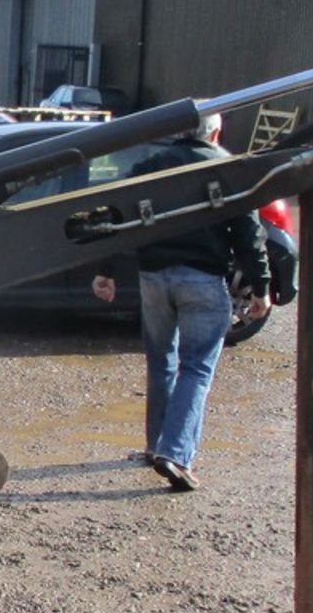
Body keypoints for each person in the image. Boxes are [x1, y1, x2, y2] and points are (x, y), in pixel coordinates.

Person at [90, 112, 270, 492]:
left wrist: (105, 270)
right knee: (197, 368)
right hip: (203, 279)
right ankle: (175, 453)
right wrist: (260, 287)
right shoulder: (229, 169)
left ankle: (156, 446)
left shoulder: (151, 167)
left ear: (179, 132)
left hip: (153, 278)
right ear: (217, 132)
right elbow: (249, 233)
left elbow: (116, 214)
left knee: (161, 363)